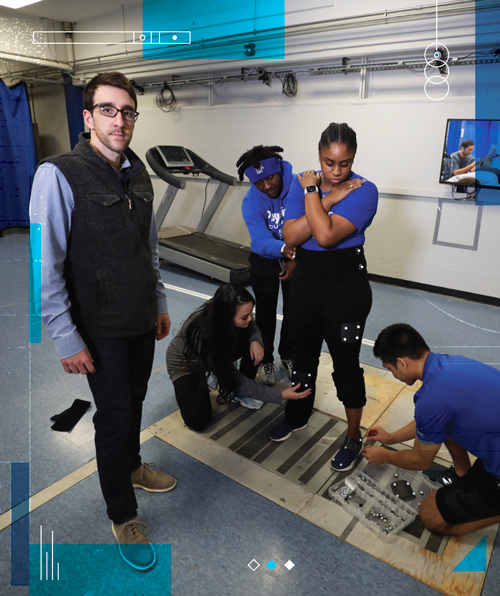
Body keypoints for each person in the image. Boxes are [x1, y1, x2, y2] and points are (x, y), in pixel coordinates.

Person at [29, 72, 175, 571]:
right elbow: (42, 265)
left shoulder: (138, 174)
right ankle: (122, 513)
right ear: (88, 117)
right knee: (113, 419)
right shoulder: (58, 174)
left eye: (128, 111)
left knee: (134, 401)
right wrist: (66, 337)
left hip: (139, 318)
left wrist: (158, 302)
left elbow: (148, 249)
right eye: (109, 110)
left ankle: (132, 467)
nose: (121, 120)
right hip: (100, 327)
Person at [268, 122, 378, 475]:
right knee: (302, 357)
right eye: (329, 163)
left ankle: (353, 436)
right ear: (319, 156)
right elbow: (291, 234)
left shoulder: (364, 190)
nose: (336, 171)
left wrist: (312, 195)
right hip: (306, 284)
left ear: (353, 160)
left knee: (346, 366)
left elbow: (326, 236)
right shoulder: (304, 184)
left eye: (343, 163)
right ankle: (297, 416)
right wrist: (325, 196)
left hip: (345, 285)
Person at [363, 323, 500, 536]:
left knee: (430, 516)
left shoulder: (431, 399)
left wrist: (385, 456)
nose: (392, 374)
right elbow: (431, 421)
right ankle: (463, 475)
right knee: (446, 428)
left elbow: (420, 460)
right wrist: (390, 438)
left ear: (402, 363)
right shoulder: (450, 364)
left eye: (390, 369)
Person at [166, 284, 311, 431]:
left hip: (216, 351)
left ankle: (236, 393)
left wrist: (255, 340)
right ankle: (213, 384)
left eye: (250, 314)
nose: (250, 319)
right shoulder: (204, 334)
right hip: (186, 365)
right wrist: (280, 395)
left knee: (259, 342)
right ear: (227, 317)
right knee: (198, 421)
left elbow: (250, 324)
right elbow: (235, 378)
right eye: (244, 317)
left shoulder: (223, 308)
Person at [237, 145, 296, 389]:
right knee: (265, 313)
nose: (267, 186)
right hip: (266, 257)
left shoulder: (299, 187)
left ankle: (289, 354)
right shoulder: (251, 201)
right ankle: (267, 360)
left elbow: (313, 225)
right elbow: (259, 240)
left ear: (280, 170)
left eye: (270, 178)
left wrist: (295, 258)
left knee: (296, 311)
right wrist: (283, 249)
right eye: (259, 182)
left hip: (297, 257)